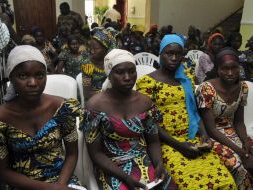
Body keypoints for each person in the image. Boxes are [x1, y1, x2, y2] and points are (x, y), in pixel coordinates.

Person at [136, 34, 236, 189]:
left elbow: (195, 111)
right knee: (192, 185)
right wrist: (179, 145)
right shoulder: (147, 82)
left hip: (192, 140)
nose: (174, 58)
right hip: (166, 143)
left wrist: (203, 135)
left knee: (225, 181)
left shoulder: (186, 78)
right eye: (169, 53)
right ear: (160, 54)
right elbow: (150, 123)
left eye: (178, 54)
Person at [82, 49, 176, 189]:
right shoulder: (94, 106)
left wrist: (158, 164)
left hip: (143, 161)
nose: (127, 77)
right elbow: (96, 153)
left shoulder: (145, 102)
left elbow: (153, 141)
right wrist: (125, 177)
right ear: (109, 74)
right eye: (120, 72)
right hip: (112, 168)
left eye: (132, 71)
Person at [0, 45, 84, 189]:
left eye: (39, 75)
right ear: (11, 78)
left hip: (61, 180)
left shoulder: (62, 108)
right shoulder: (1, 118)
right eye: (23, 76)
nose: (33, 83)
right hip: (22, 185)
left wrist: (60, 185)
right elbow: (3, 171)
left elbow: (72, 154)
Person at [196, 47, 253, 189]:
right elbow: (211, 129)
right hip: (212, 137)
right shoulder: (207, 89)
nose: (230, 73)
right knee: (238, 165)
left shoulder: (243, 87)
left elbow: (239, 121)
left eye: (234, 68)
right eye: (225, 68)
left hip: (231, 130)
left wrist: (245, 143)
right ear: (218, 69)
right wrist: (241, 153)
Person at [81, 28, 116, 102]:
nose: (92, 51)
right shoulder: (87, 65)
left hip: (112, 98)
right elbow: (87, 94)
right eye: (90, 48)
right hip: (94, 101)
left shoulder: (111, 63)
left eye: (96, 48)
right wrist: (108, 95)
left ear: (106, 49)